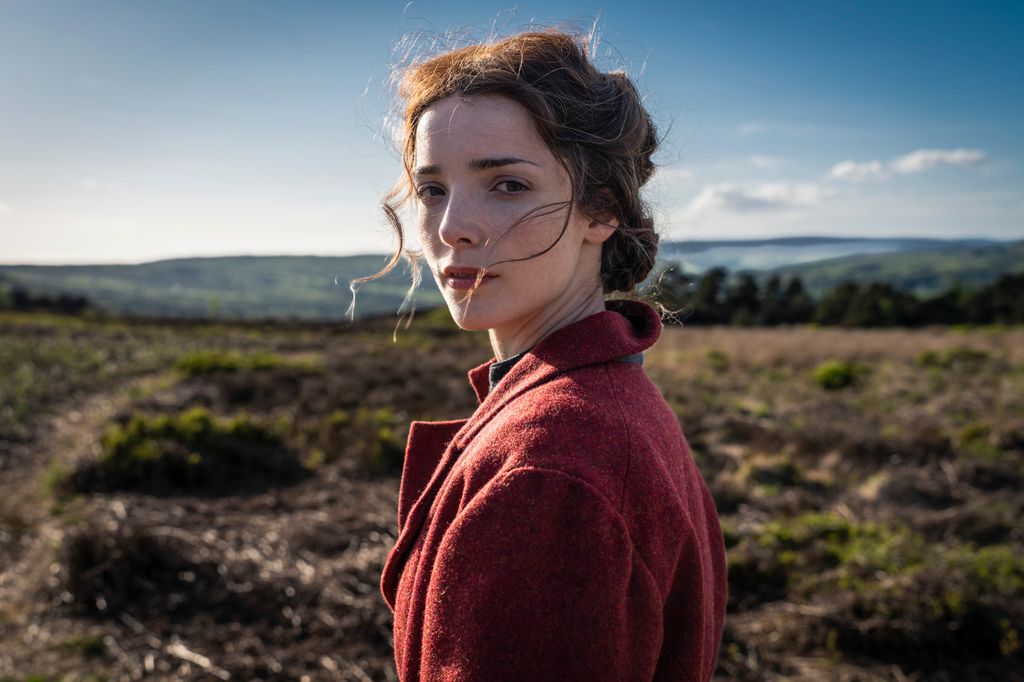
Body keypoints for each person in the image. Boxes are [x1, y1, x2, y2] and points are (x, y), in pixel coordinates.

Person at [366, 28, 727, 681]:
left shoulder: (547, 471)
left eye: (507, 184)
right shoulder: (608, 399)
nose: (452, 228)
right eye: (432, 189)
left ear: (602, 211)